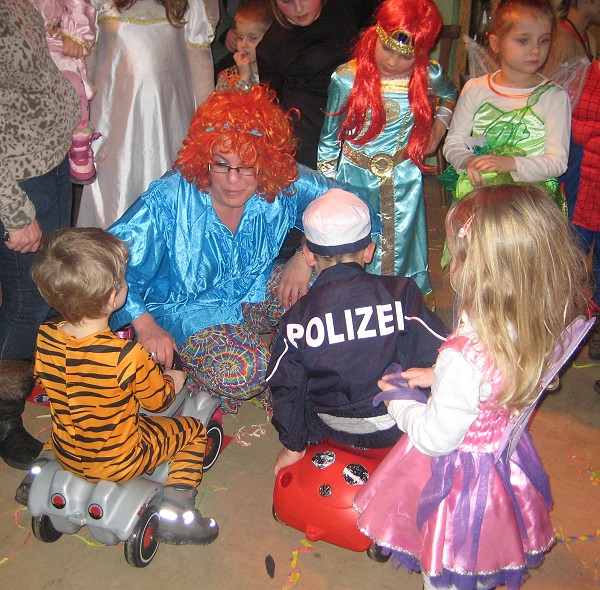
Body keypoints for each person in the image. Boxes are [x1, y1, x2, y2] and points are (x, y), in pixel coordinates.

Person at [354, 184, 590, 590]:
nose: (447, 262)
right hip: (500, 455)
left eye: (454, 254)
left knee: (451, 561)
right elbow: (494, 379)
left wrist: (397, 400)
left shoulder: (462, 358)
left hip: (461, 478)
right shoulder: (536, 319)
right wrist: (437, 376)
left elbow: (435, 438)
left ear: (477, 271)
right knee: (485, 548)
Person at [108, 85, 367, 414]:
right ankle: (203, 364)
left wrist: (306, 253)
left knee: (330, 292)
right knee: (247, 371)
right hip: (187, 311)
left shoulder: (280, 181)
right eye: (221, 164)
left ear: (267, 163)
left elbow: (352, 204)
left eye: (247, 167)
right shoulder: (170, 198)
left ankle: (267, 345)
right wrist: (145, 325)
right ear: (204, 159)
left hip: (253, 290)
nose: (233, 180)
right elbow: (106, 262)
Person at [23, 227, 219, 546]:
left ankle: (42, 465)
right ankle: (178, 510)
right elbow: (157, 403)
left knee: (70, 412)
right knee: (193, 432)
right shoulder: (126, 355)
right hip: (122, 458)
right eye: (123, 280)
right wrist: (173, 380)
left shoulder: (45, 337)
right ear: (113, 297)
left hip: (67, 450)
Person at [266, 189, 448, 476]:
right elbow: (444, 350)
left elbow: (285, 386)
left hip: (332, 428)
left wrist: (293, 445)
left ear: (309, 256)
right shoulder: (401, 293)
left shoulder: (296, 318)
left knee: (290, 371)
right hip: (396, 422)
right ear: (369, 251)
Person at [317, 0, 457, 307]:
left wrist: (437, 129)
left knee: (404, 245)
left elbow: (450, 95)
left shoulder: (428, 75)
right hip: (353, 179)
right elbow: (329, 139)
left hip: (404, 179)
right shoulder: (347, 78)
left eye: (405, 56)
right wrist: (327, 191)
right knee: (354, 242)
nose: (392, 61)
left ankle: (401, 308)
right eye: (387, 48)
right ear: (375, 36)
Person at [0, 0, 80, 470]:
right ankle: (4, 416)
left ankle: (46, 373)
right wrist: (12, 210)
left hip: (49, 158)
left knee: (53, 282)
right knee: (26, 302)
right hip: (17, 181)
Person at [442, 0, 570, 268]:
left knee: (524, 271)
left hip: (530, 206)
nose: (536, 50)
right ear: (496, 42)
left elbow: (557, 162)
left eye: (544, 40)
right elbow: (453, 144)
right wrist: (469, 161)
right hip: (481, 197)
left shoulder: (553, 97)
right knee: (479, 267)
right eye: (523, 40)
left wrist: (510, 163)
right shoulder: (476, 90)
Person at [75, 0, 219, 229]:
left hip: (168, 121)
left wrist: (208, 125)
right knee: (114, 192)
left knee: (167, 183)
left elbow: (199, 60)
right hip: (114, 125)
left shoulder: (188, 4)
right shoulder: (100, 3)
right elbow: (88, 62)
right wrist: (81, 116)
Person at [256, 0, 379, 170]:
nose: (298, 9)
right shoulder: (271, 47)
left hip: (360, 124)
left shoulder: (347, 7)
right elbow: (271, 108)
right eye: (286, 1)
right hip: (309, 141)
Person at [30, 0, 99, 184]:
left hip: (56, 44)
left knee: (73, 82)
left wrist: (74, 35)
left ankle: (80, 142)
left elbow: (78, 5)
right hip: (22, 53)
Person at [569, 60, 600, 371]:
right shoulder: (596, 73)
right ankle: (569, 324)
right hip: (590, 186)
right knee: (574, 253)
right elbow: (580, 127)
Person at [215, 0, 273, 91]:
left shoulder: (277, 74)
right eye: (240, 37)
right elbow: (231, 100)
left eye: (252, 38)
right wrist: (244, 78)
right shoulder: (227, 78)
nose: (243, 44)